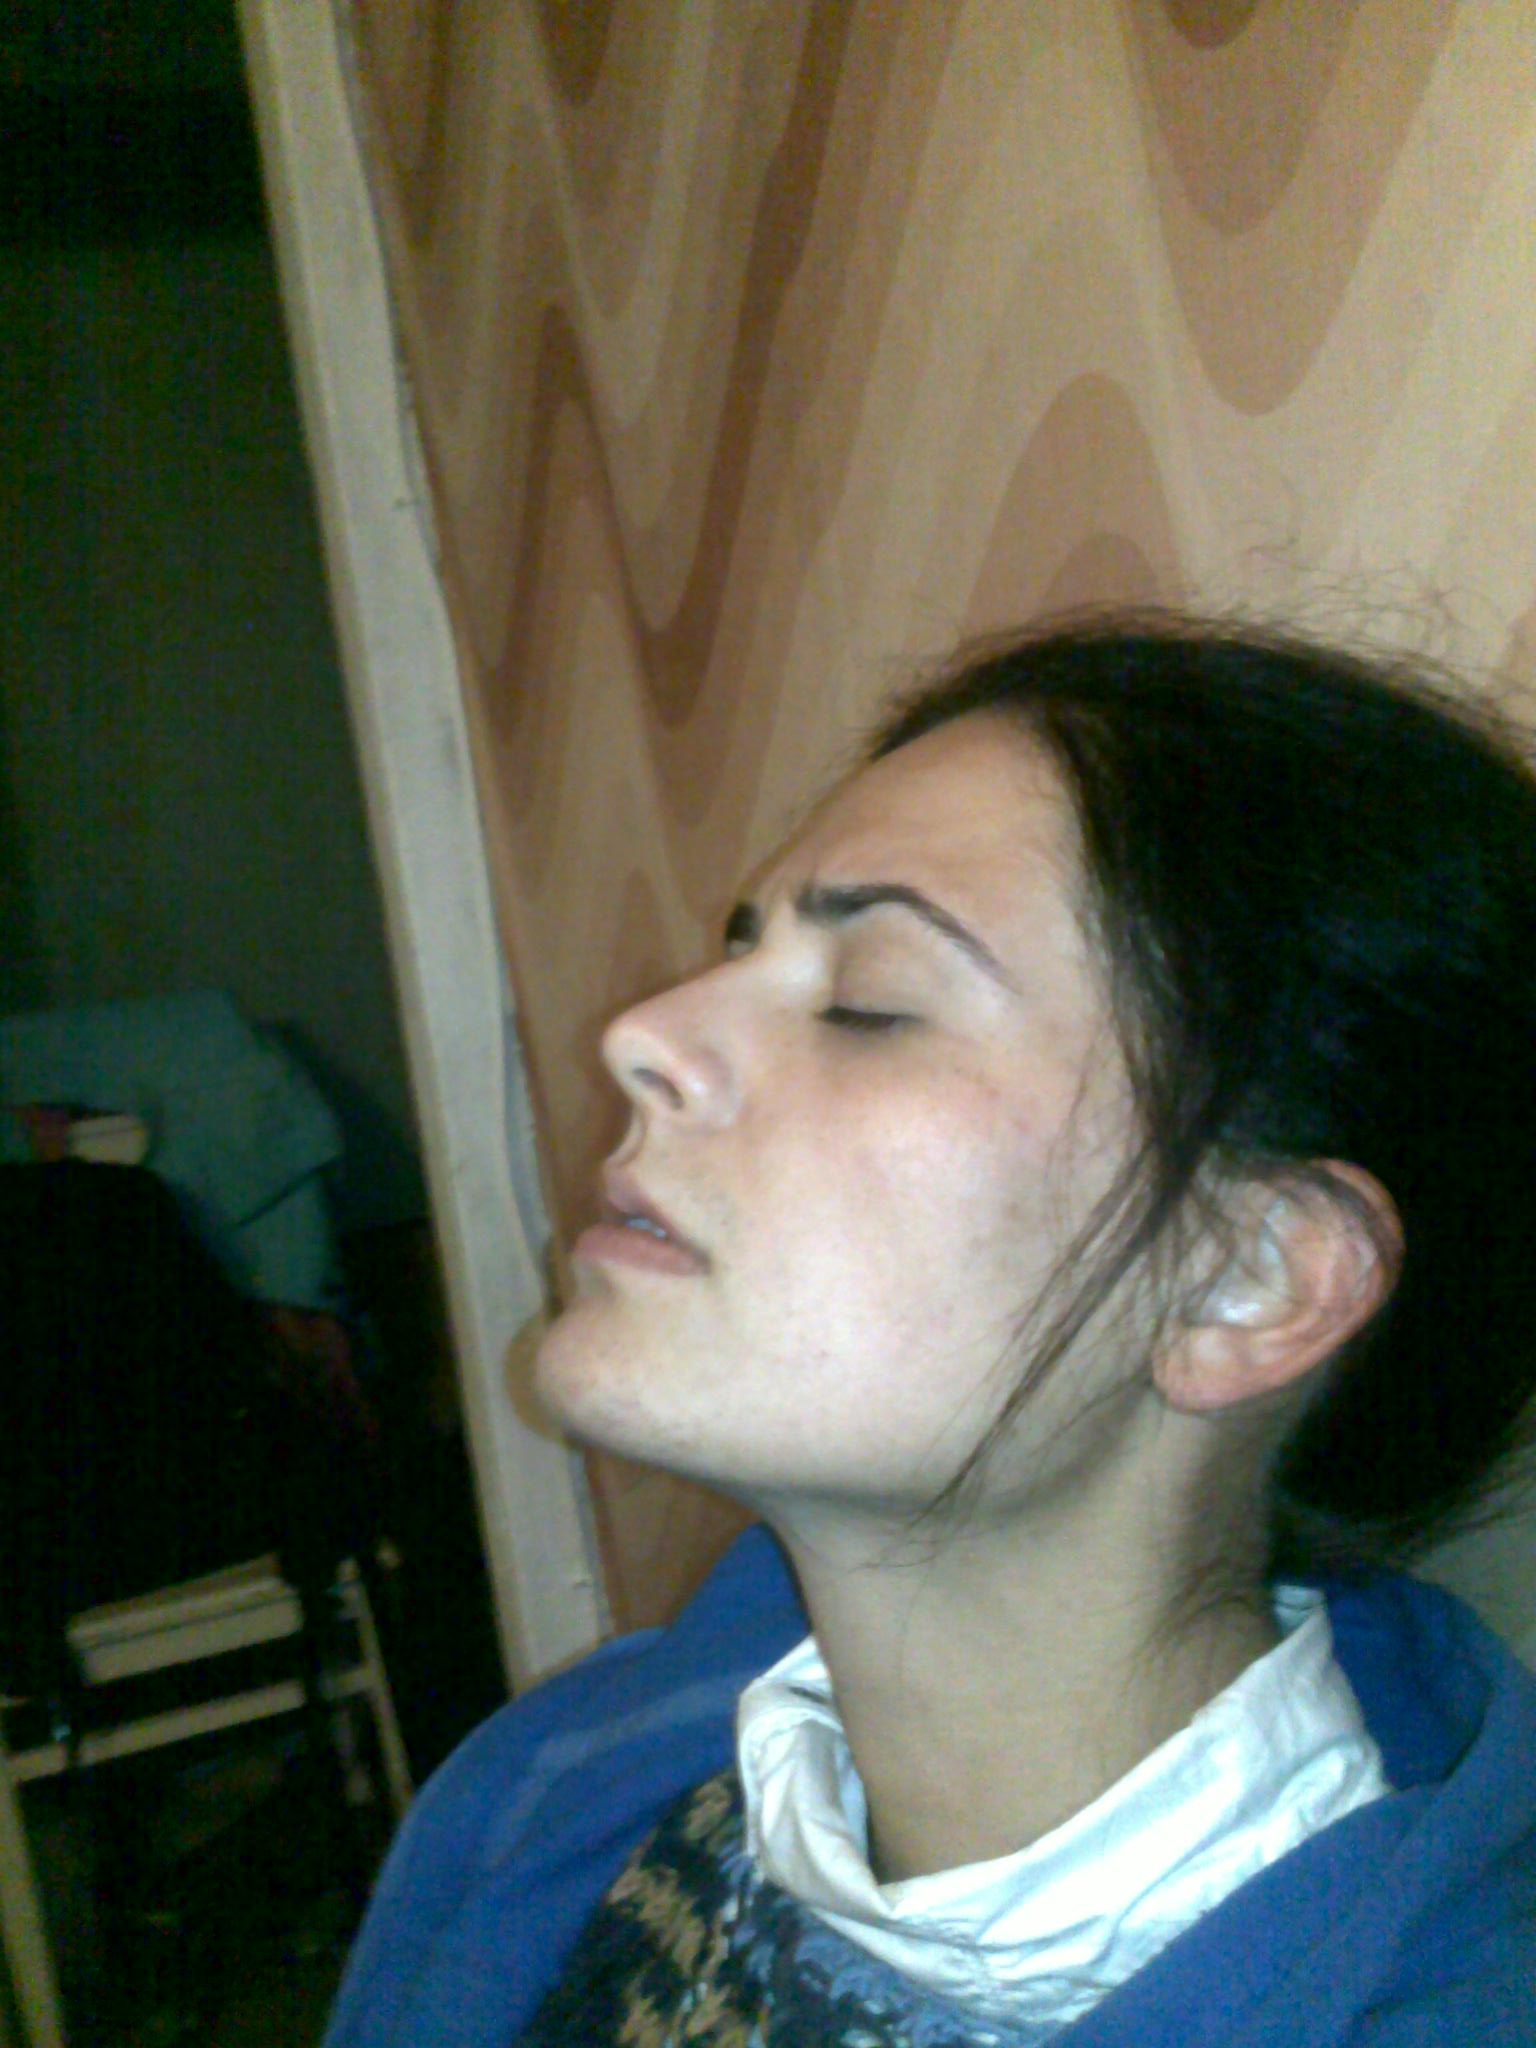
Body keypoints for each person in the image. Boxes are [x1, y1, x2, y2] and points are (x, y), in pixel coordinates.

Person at [325, 614, 1536, 2046]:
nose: (643, 1034)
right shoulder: (545, 1788)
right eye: (740, 948)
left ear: (1246, 1278)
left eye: (868, 1003)